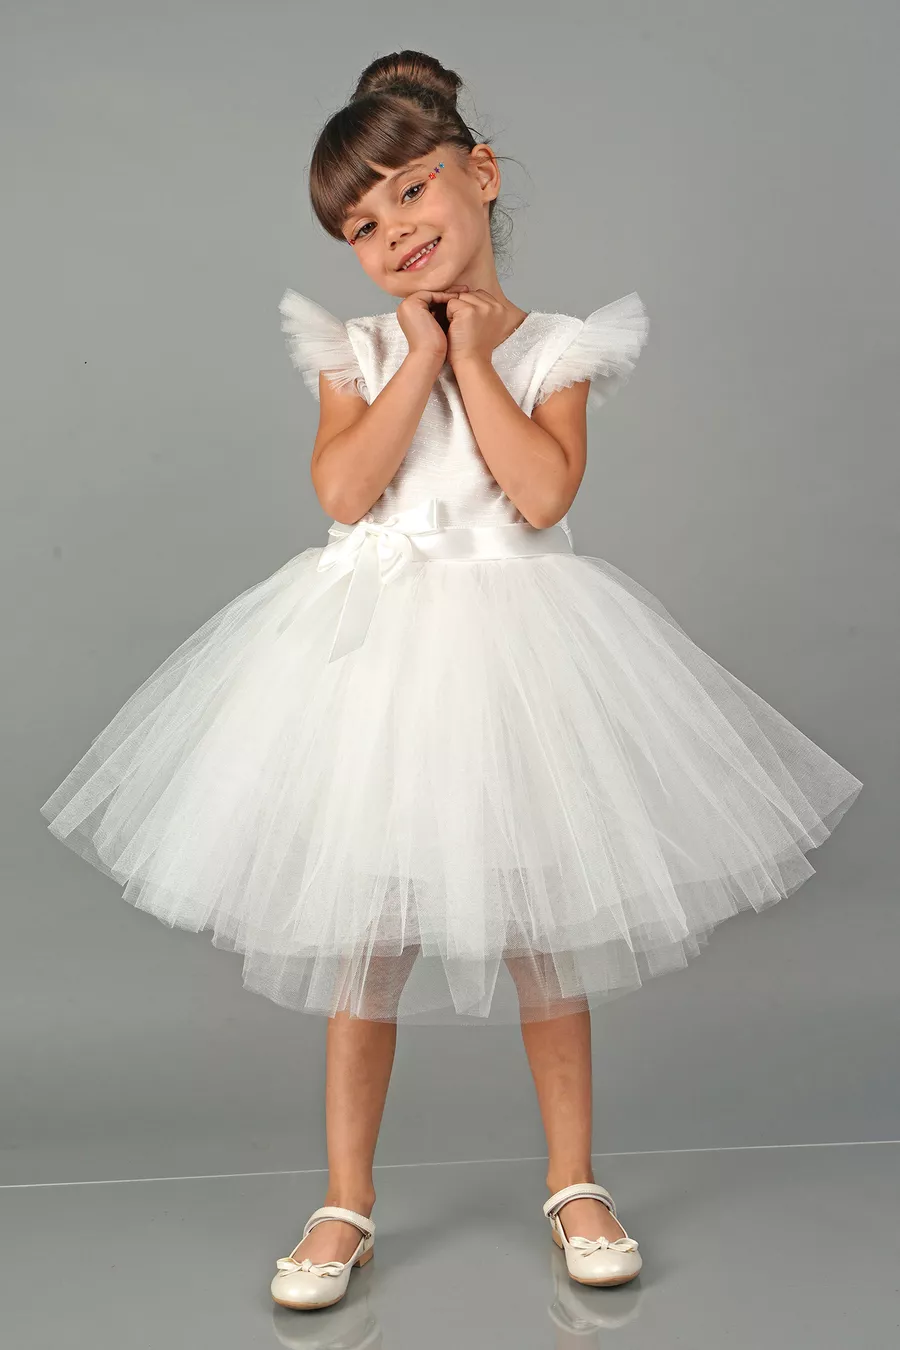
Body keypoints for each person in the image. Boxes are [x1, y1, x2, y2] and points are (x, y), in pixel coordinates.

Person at [40, 50, 864, 1310]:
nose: (395, 235)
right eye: (362, 228)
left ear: (479, 174)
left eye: (411, 192)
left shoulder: (558, 349)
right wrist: (420, 356)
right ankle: (344, 1202)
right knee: (363, 945)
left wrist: (475, 356)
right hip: (372, 671)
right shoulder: (355, 348)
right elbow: (342, 492)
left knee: (544, 936)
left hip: (516, 665)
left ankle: (574, 1183)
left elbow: (537, 495)